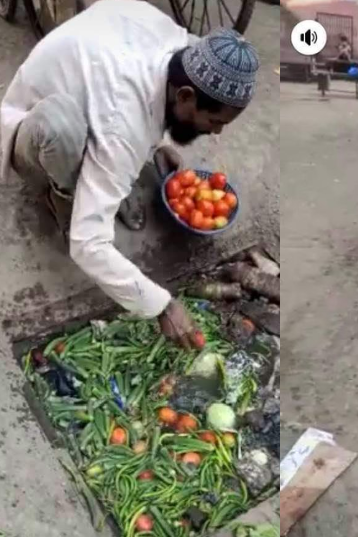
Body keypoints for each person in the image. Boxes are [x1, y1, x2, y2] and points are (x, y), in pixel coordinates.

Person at [0, 0, 260, 348]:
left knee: (118, 147)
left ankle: (105, 177)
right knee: (61, 131)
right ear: (185, 96)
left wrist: (156, 143)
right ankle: (63, 195)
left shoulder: (177, 43)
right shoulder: (122, 124)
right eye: (214, 121)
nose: (216, 133)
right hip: (32, 130)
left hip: (95, 98)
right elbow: (87, 244)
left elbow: (135, 97)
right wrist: (161, 305)